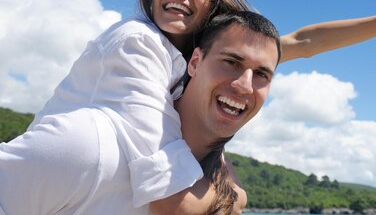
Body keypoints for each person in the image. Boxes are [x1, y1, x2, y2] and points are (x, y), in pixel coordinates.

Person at [19, 0, 376, 213]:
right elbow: (173, 196)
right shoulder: (138, 43)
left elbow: (303, 41)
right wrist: (232, 192)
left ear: (211, 5)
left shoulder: (202, 52)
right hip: (58, 178)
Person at [0, 11, 281, 215]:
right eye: (231, 62)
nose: (245, 85)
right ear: (194, 62)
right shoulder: (91, 147)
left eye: (261, 75)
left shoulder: (217, 186)